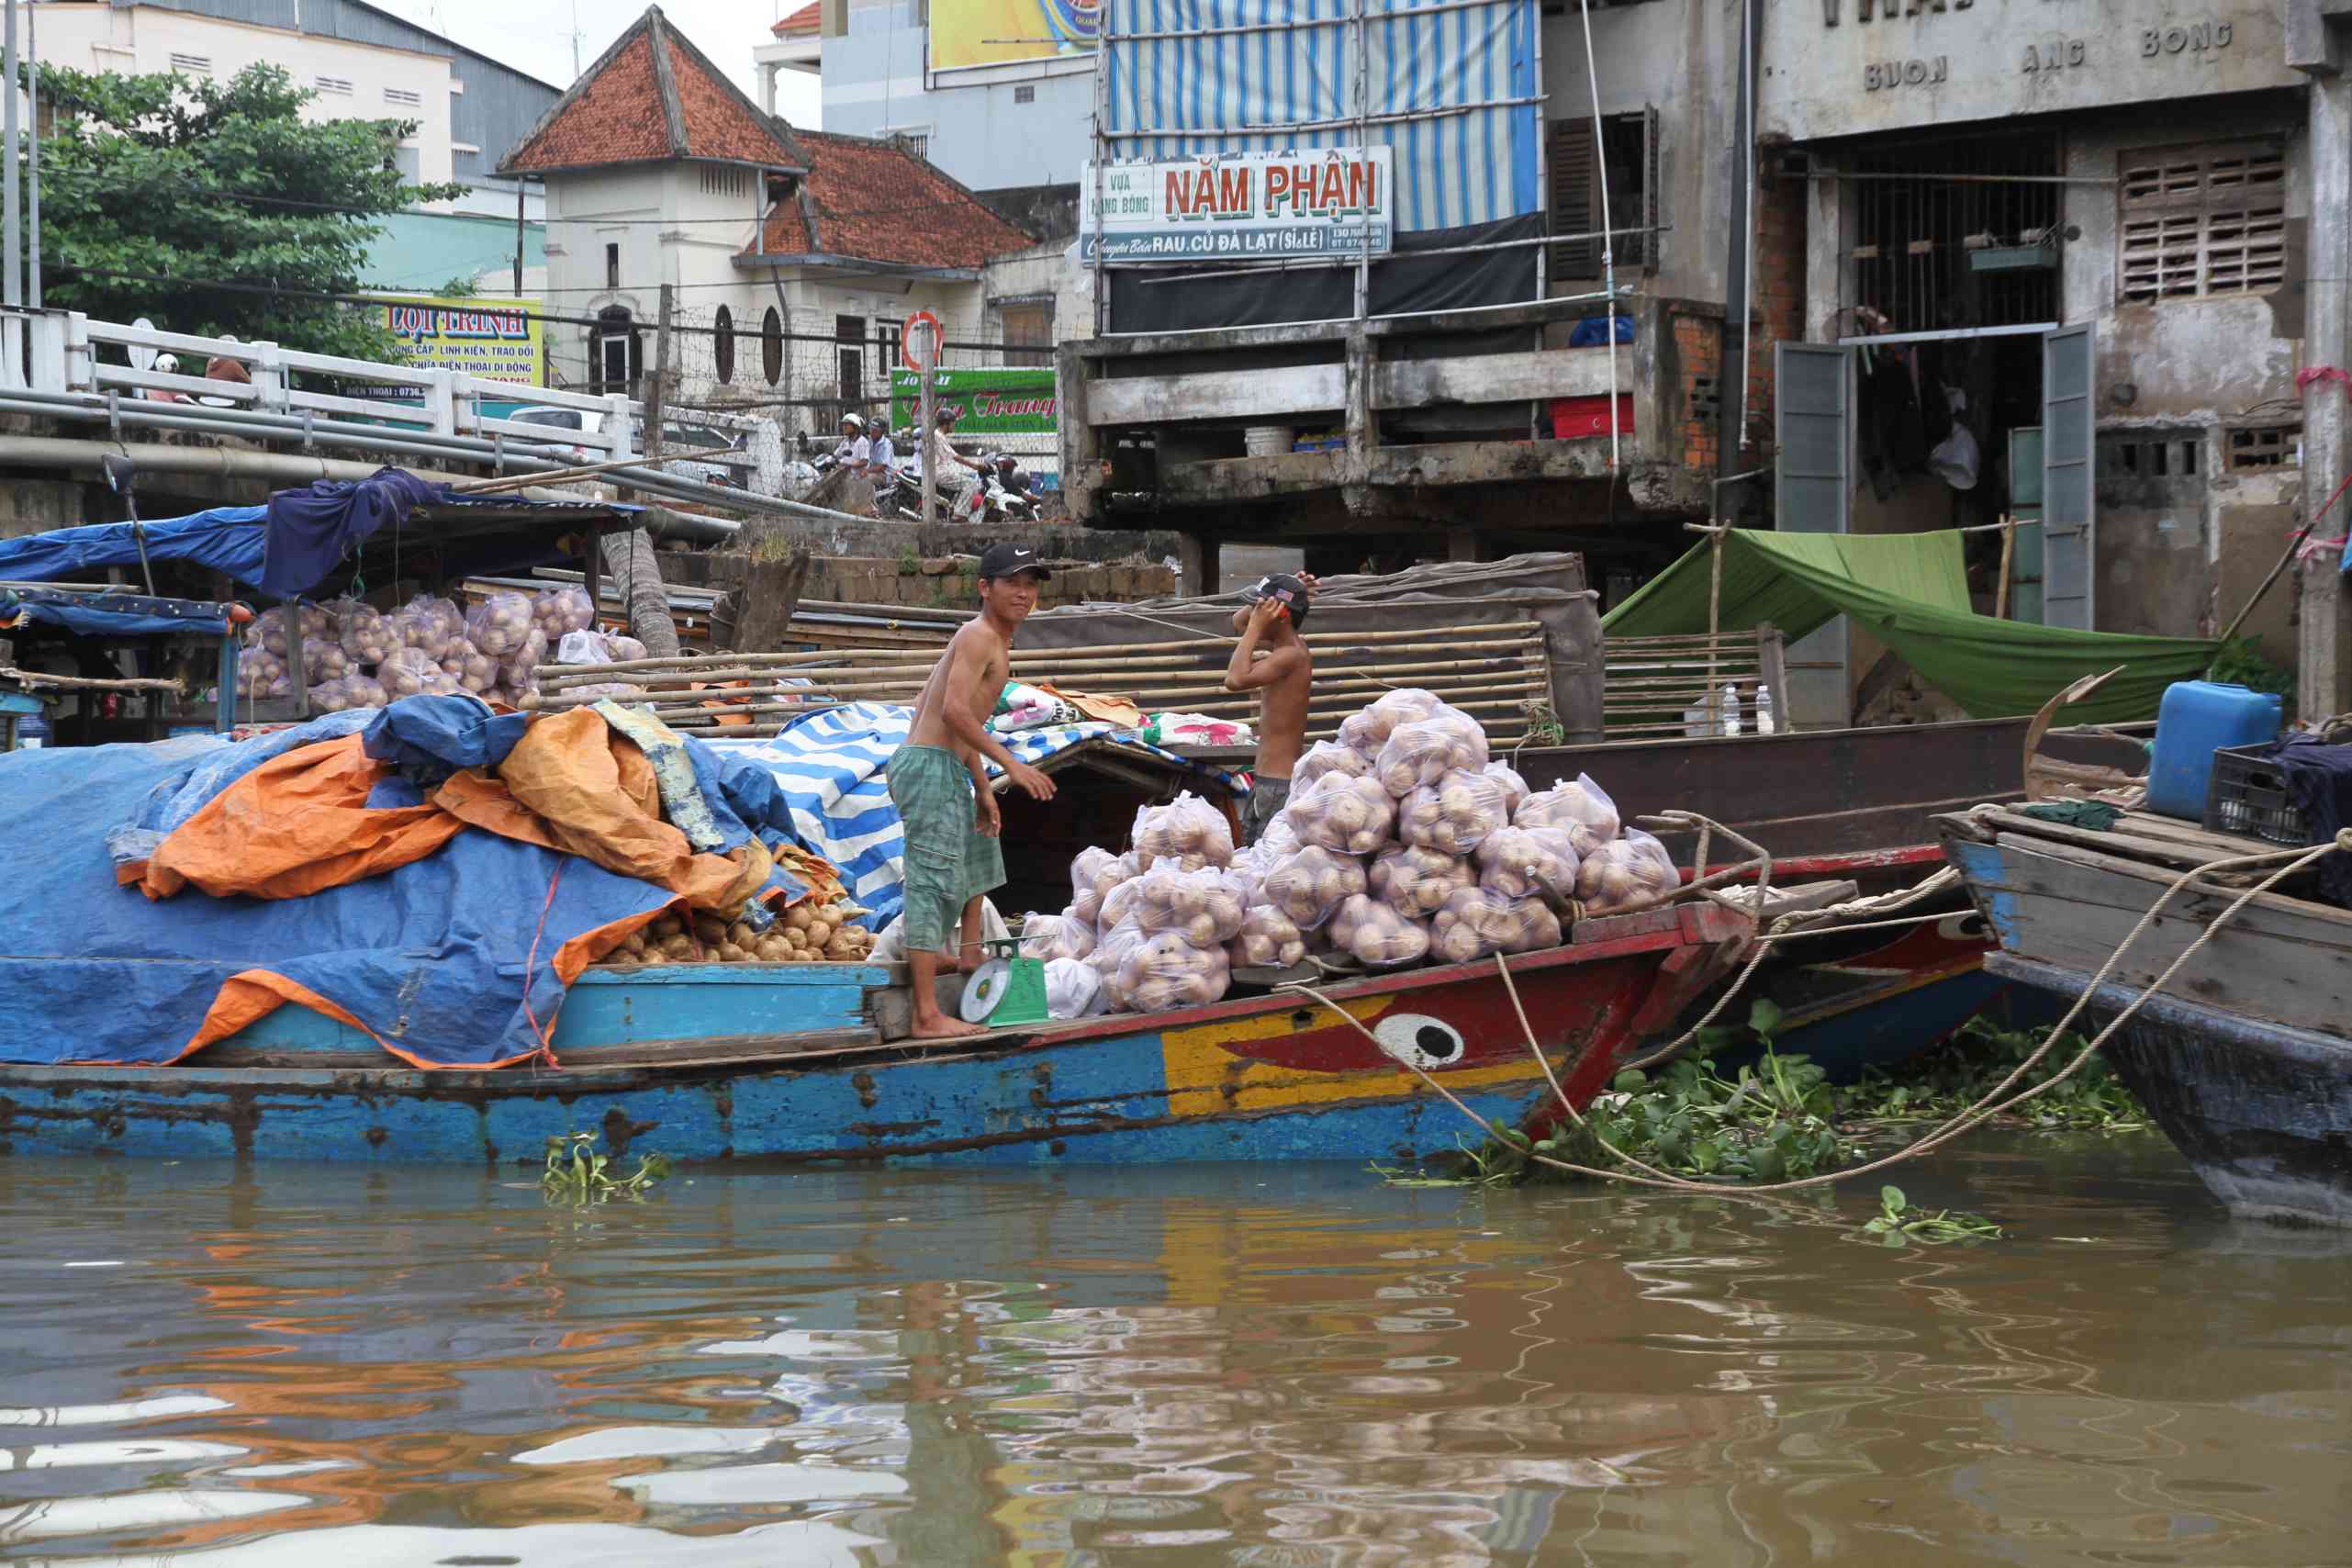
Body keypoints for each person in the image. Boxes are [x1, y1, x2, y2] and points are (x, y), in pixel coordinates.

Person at [887, 541, 1059, 1037]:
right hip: (928, 766)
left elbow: (945, 711)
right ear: (985, 588)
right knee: (931, 880)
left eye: (1030, 585)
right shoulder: (979, 635)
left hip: (944, 764)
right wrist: (1012, 765)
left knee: (981, 846)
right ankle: (926, 1015)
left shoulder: (993, 642)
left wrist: (983, 786)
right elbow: (953, 713)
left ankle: (965, 954)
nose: (1024, 594)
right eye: (1012, 583)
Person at [1223, 571, 1320, 846]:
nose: (1254, 613)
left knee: (1261, 864)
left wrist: (1256, 625)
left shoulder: (1291, 655)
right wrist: (1281, 592)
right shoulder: (1284, 644)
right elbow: (1237, 622)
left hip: (1276, 785)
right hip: (1268, 781)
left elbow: (1235, 679)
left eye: (1261, 608)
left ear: (1282, 616)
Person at [924, 407, 991, 521]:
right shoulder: (938, 435)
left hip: (940, 472)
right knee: (971, 484)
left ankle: (953, 509)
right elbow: (955, 456)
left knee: (966, 478)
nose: (954, 426)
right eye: (952, 423)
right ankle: (959, 514)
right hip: (940, 474)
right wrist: (975, 466)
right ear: (946, 423)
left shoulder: (938, 435)